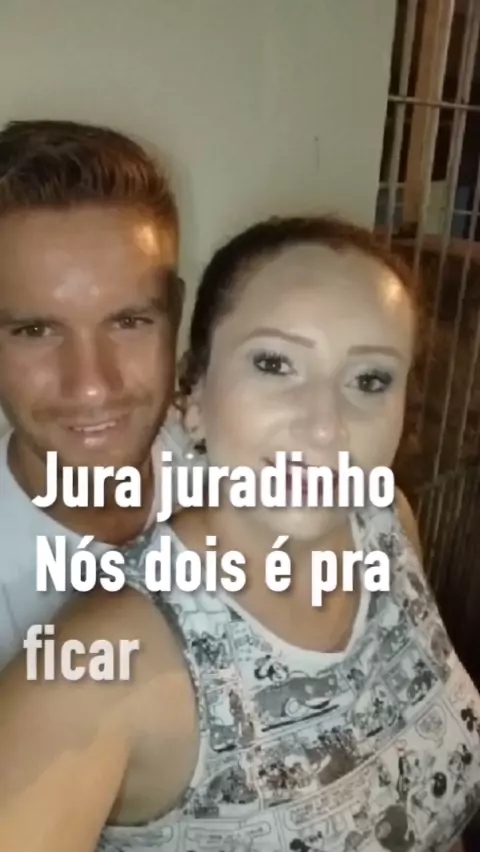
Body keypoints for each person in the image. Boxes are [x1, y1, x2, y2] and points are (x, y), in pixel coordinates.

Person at [1, 215, 478, 852]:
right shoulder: (90, 674)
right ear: (193, 394)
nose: (325, 426)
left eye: (370, 379)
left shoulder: (386, 519)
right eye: (275, 364)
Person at [0, 118, 195, 669]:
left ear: (176, 315)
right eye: (35, 330)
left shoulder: (244, 470)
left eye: (129, 322)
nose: (91, 383)